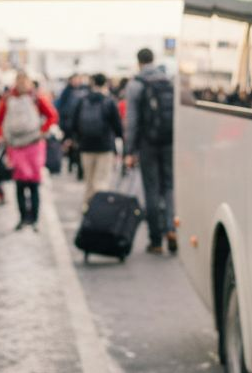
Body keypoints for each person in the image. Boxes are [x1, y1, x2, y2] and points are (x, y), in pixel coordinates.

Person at [124, 48, 178, 254]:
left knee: (152, 189)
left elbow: (132, 121)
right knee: (169, 186)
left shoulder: (136, 84)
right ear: (153, 60)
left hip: (148, 143)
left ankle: (155, 240)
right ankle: (172, 228)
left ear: (138, 61)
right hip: (169, 142)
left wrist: (129, 150)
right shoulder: (167, 80)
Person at [0, 71, 59, 230]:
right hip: (15, 145)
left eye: (25, 81)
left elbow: (52, 115)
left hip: (33, 144)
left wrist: (42, 130)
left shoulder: (36, 98)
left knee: (34, 184)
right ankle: (23, 217)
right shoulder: (7, 99)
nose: (22, 85)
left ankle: (34, 219)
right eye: (19, 81)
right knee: (20, 184)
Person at [69, 73, 123, 203]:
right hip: (105, 147)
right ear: (105, 84)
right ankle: (99, 211)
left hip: (86, 146)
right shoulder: (109, 101)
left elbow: (74, 124)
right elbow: (117, 126)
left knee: (89, 181)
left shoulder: (82, 100)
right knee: (101, 182)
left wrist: (76, 140)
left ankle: (87, 209)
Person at [56, 73, 89, 177]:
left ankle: (80, 168)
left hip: (81, 123)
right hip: (69, 124)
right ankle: (72, 163)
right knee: (71, 145)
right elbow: (61, 108)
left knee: (78, 146)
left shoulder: (84, 90)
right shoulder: (66, 92)